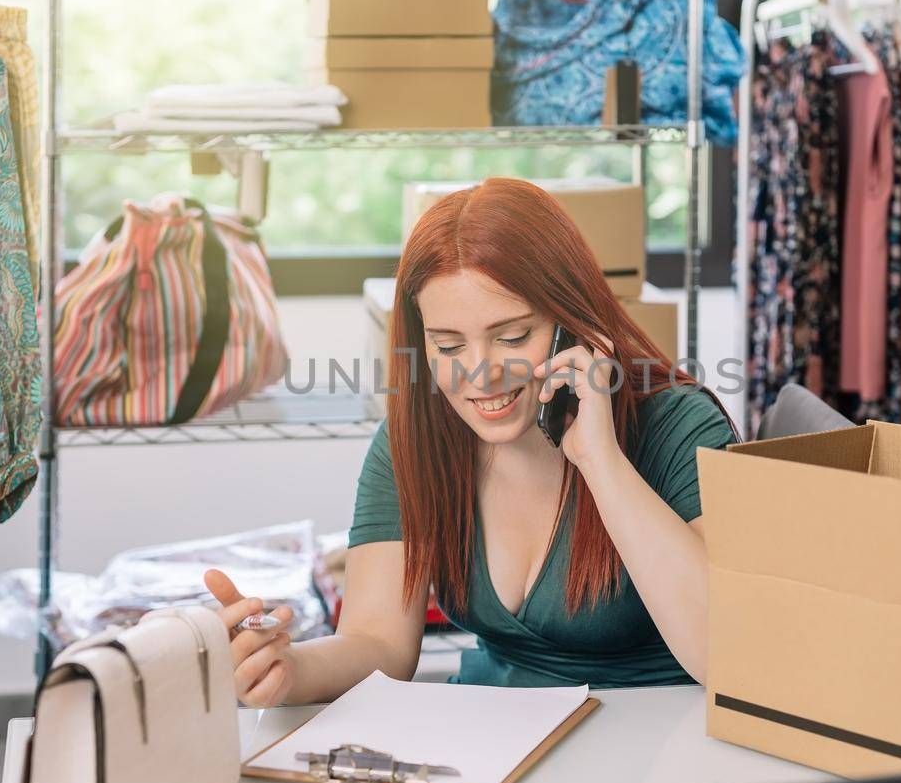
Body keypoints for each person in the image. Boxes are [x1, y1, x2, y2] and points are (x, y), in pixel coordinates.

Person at [205, 177, 737, 706]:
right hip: (496, 743)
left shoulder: (677, 425)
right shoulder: (416, 435)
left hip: (653, 746)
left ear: (571, 324)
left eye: (511, 337)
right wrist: (288, 667)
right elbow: (379, 641)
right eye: (449, 345)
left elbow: (729, 656)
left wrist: (601, 460)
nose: (480, 375)